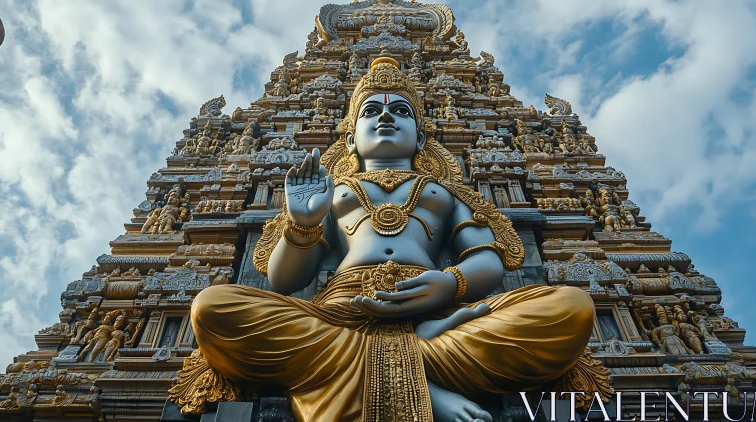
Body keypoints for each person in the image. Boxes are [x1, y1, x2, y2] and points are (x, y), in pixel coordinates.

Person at [184, 57, 605, 422]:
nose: (386, 117)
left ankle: (376, 365)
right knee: (212, 307)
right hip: (342, 316)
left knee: (570, 307)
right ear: (349, 137)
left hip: (434, 313)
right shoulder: (334, 192)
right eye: (371, 111)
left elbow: (487, 261)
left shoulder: (445, 192)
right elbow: (283, 282)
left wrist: (449, 283)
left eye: (401, 111)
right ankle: (422, 374)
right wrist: (302, 224)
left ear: (421, 136)